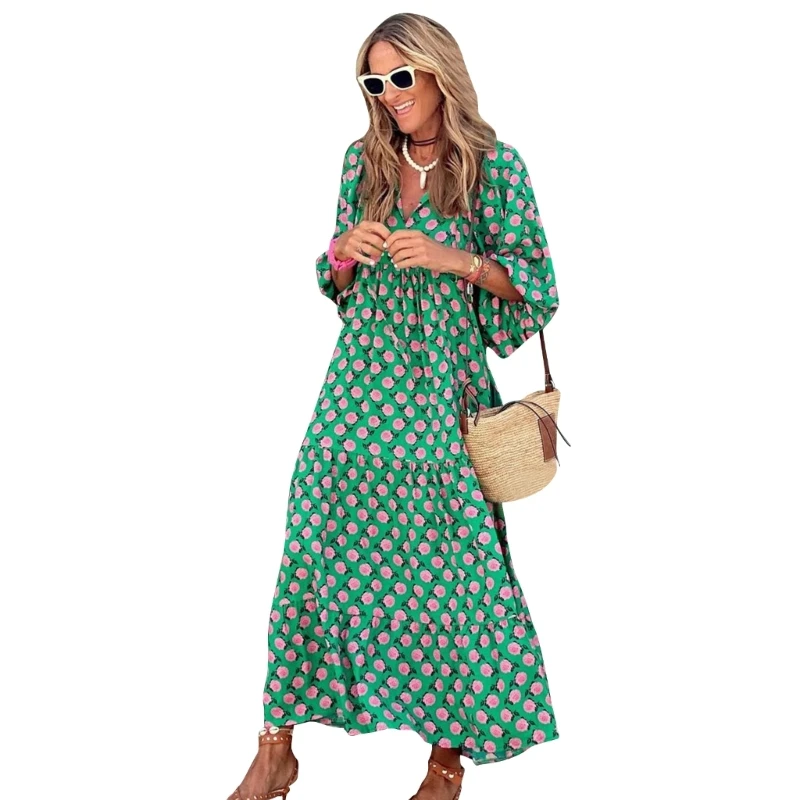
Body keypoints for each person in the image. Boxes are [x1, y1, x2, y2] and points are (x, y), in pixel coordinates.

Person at [228, 12, 560, 800]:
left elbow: (536, 286)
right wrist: (344, 252)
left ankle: (446, 762)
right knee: (312, 543)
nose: (388, 93)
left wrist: (455, 259)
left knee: (453, 569)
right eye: (374, 81)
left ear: (440, 73)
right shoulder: (364, 161)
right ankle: (276, 745)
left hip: (441, 388)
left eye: (401, 77)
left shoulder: (494, 168)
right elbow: (336, 281)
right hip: (359, 384)